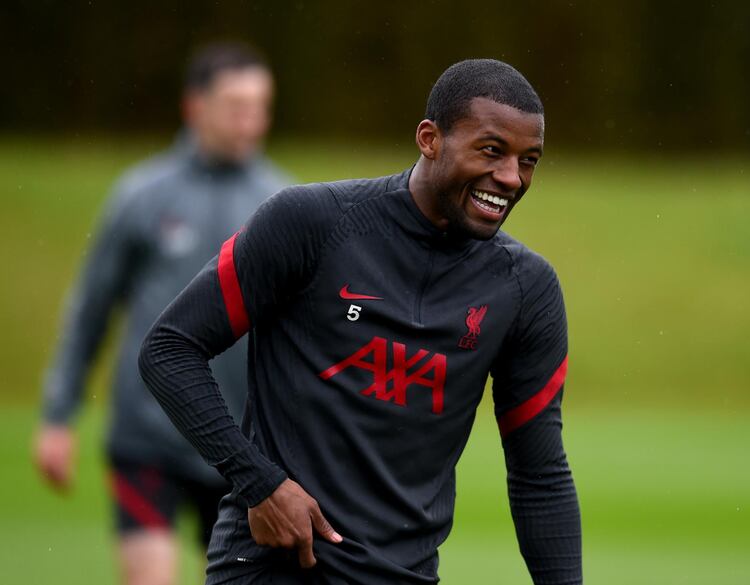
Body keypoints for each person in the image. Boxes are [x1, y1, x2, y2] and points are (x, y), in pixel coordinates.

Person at [139, 59, 582, 585]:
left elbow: (539, 476)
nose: (511, 178)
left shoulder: (526, 290)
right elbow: (169, 349)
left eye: (528, 160)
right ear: (429, 139)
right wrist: (259, 482)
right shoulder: (310, 223)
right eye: (492, 150)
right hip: (265, 571)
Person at [34, 43, 292, 585]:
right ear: (194, 107)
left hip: (238, 442)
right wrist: (59, 414)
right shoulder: (141, 194)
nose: (251, 120)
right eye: (236, 105)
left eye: (260, 106)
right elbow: (92, 309)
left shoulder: (283, 204)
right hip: (148, 436)